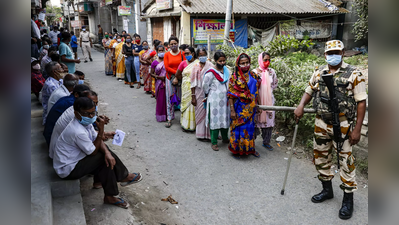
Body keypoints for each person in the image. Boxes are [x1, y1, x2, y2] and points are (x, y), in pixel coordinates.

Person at [294, 40, 367, 220]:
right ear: (325, 54)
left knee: (345, 161)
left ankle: (347, 200)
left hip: (342, 125)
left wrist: (357, 129)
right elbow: (309, 90)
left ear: (343, 53)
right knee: (320, 156)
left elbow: (361, 102)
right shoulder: (320, 72)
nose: (333, 55)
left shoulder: (354, 74)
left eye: (336, 52)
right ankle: (327, 190)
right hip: (321, 122)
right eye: (330, 52)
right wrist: (301, 105)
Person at [53, 97, 142, 209]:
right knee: (101, 156)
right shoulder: (77, 131)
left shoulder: (84, 122)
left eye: (93, 113)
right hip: (67, 169)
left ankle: (109, 195)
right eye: (87, 113)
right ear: (76, 113)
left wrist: (107, 153)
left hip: (77, 160)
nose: (91, 116)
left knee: (105, 157)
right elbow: (93, 151)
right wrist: (101, 131)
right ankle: (123, 177)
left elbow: (97, 140)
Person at [228, 53, 261, 158]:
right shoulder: (234, 78)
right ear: (238, 64)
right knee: (238, 130)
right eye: (243, 63)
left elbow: (257, 92)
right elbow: (231, 96)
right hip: (238, 109)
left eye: (247, 62)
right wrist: (232, 110)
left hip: (251, 109)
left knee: (249, 130)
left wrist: (258, 105)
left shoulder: (254, 76)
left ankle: (249, 149)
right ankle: (237, 150)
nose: (245, 65)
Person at [202, 52, 231, 151]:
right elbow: (205, 85)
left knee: (225, 119)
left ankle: (225, 137)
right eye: (220, 61)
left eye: (224, 60)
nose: (222, 63)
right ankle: (214, 142)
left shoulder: (227, 71)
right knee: (215, 120)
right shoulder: (210, 72)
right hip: (215, 100)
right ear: (215, 61)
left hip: (225, 100)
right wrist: (208, 94)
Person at [253, 52, 278, 151]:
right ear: (260, 60)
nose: (267, 62)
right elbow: (252, 87)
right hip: (258, 102)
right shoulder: (254, 72)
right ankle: (251, 142)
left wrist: (267, 93)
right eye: (265, 60)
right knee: (255, 122)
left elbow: (274, 85)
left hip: (269, 102)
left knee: (269, 122)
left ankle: (266, 141)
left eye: (269, 60)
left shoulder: (272, 72)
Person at [190, 48, 213, 140]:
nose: (202, 57)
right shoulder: (195, 66)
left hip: (209, 92)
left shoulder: (211, 65)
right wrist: (193, 96)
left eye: (204, 55)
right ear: (197, 56)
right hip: (198, 92)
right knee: (200, 111)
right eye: (200, 55)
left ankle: (209, 134)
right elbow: (192, 83)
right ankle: (200, 134)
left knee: (209, 113)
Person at [163, 36, 186, 128]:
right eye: (171, 44)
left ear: (178, 43)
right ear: (169, 45)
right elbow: (167, 67)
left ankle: (183, 119)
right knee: (170, 98)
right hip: (170, 78)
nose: (173, 45)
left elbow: (185, 65)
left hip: (181, 78)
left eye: (175, 44)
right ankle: (169, 118)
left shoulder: (183, 53)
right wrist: (176, 74)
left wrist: (178, 76)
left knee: (181, 98)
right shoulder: (167, 55)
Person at [176, 47, 199, 131]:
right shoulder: (183, 63)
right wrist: (185, 80)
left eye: (188, 53)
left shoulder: (198, 63)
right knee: (186, 104)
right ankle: (185, 124)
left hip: (195, 87)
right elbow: (177, 74)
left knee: (193, 104)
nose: (186, 55)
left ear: (193, 53)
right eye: (185, 54)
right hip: (186, 87)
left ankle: (194, 125)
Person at [151, 45, 167, 122]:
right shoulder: (155, 62)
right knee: (160, 100)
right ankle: (160, 116)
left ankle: (169, 116)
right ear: (157, 52)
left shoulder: (167, 60)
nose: (161, 52)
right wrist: (158, 77)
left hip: (167, 83)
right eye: (159, 51)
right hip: (159, 83)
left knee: (168, 100)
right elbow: (151, 73)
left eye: (162, 50)